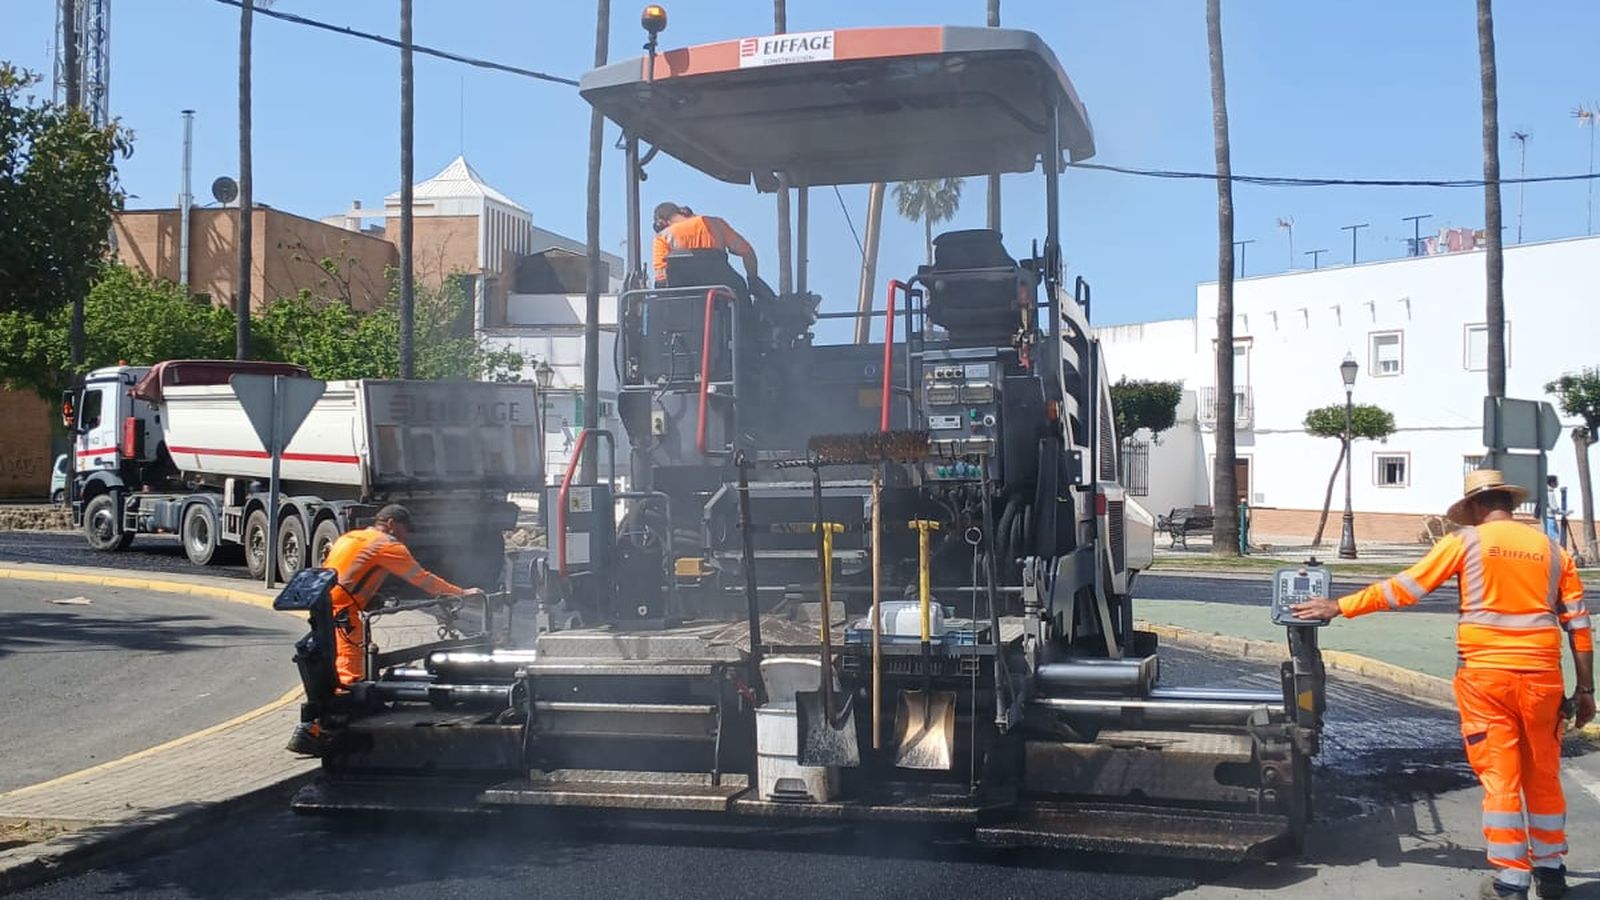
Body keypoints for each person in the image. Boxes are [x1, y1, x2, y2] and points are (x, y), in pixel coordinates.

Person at [1292, 470, 1593, 900]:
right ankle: (1550, 869)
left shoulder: (1464, 543)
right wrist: (1586, 691)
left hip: (1486, 679)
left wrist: (1339, 606)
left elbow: (1405, 589)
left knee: (1500, 774)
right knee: (1542, 772)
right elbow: (1579, 625)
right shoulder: (1552, 550)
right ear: (1508, 503)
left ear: (1473, 507)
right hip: (1543, 678)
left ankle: (1512, 879)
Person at [287, 504, 482, 755]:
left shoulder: (352, 537)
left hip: (324, 605)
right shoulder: (387, 544)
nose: (406, 535)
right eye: (404, 529)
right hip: (345, 612)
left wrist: (370, 597)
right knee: (348, 675)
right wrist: (462, 594)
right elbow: (422, 579)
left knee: (327, 666)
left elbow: (347, 572)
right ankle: (329, 731)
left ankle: (317, 728)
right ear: (390, 523)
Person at [651, 202, 759, 288]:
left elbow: (661, 278)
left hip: (686, 303)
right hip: (725, 293)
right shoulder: (716, 224)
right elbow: (748, 252)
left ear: (661, 222)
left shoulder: (663, 237)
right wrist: (753, 281)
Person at [1546, 476, 1564, 542]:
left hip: (1547, 518)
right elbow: (1554, 508)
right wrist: (1564, 512)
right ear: (1552, 482)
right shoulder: (1550, 493)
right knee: (1553, 540)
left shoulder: (1545, 491)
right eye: (1556, 481)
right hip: (1550, 518)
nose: (1557, 483)